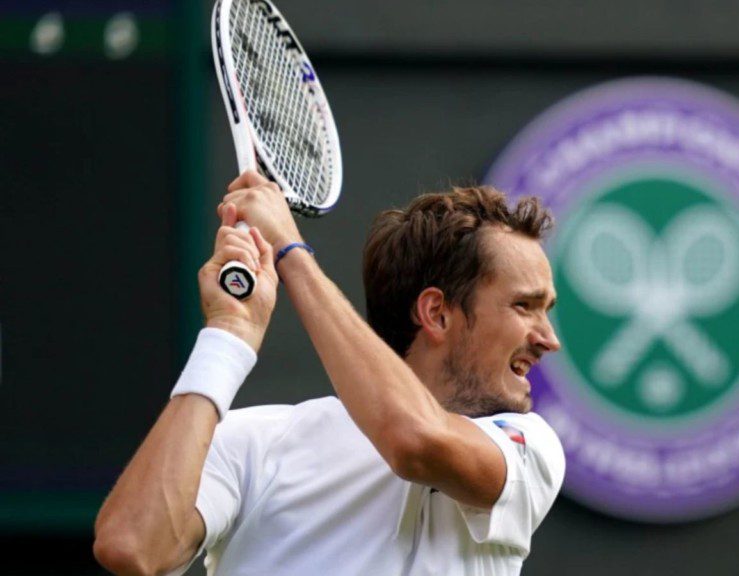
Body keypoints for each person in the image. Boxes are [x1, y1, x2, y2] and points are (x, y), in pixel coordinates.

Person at [93, 171, 565, 575]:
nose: (549, 338)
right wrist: (228, 334)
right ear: (437, 314)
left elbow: (415, 441)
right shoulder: (255, 442)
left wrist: (289, 251)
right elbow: (131, 546)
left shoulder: (530, 447)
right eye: (524, 306)